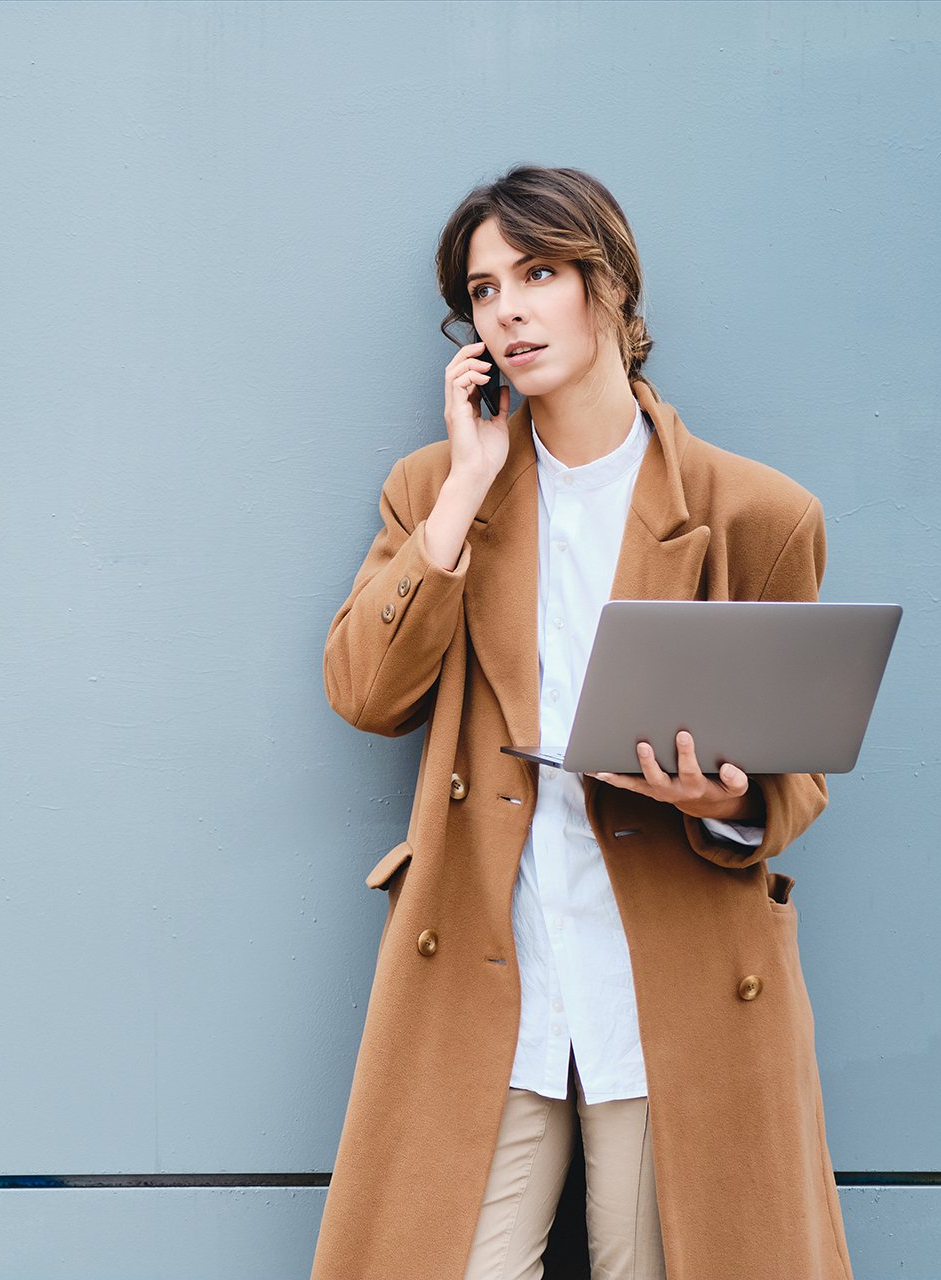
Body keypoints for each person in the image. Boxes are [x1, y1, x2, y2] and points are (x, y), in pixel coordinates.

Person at [309, 166, 853, 1280]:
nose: (507, 307)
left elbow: (796, 765)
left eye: (539, 272)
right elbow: (367, 692)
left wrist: (734, 799)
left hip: (667, 975)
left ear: (607, 287)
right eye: (483, 288)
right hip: (490, 959)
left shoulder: (757, 513)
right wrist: (464, 488)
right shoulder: (434, 489)